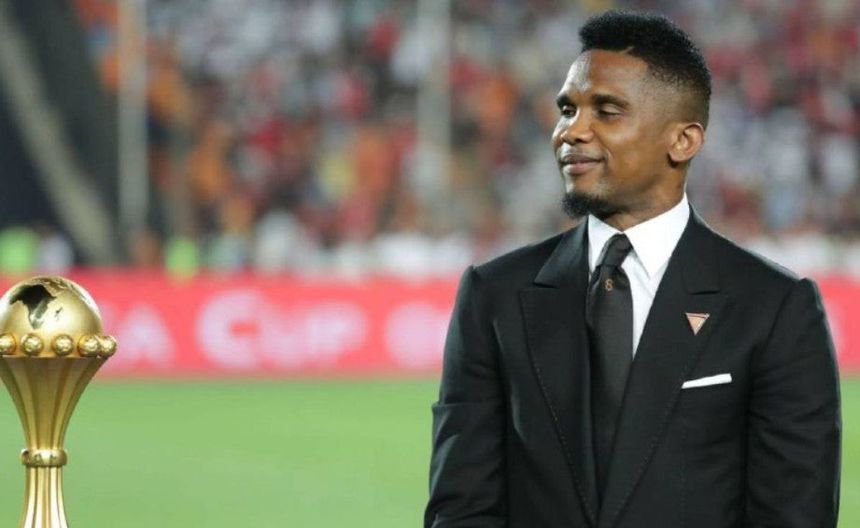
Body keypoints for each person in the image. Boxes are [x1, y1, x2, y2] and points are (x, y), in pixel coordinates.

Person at [425, 10, 840, 528]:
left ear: (683, 141)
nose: (571, 131)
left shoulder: (774, 308)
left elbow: (795, 515)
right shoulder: (493, 295)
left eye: (607, 110)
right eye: (567, 109)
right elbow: (461, 509)